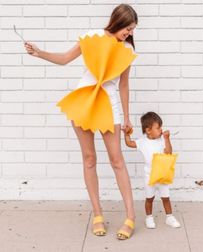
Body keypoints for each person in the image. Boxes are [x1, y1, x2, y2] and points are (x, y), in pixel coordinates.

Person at [24, 4, 138, 240]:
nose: (130, 33)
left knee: (117, 160)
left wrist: (126, 116)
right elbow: (65, 58)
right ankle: (97, 214)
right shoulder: (90, 37)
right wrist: (40, 52)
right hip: (84, 102)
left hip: (110, 105)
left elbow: (124, 85)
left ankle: (130, 217)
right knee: (89, 159)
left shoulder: (126, 49)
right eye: (127, 28)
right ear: (117, 21)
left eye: (132, 30)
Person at [123, 112, 181, 229]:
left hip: (162, 175)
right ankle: (149, 217)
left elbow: (169, 152)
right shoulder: (142, 142)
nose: (161, 130)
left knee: (166, 197)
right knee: (149, 198)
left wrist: (167, 139)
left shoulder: (162, 140)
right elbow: (129, 143)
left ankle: (169, 217)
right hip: (149, 176)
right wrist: (126, 134)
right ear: (148, 130)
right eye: (158, 128)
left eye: (161, 127)